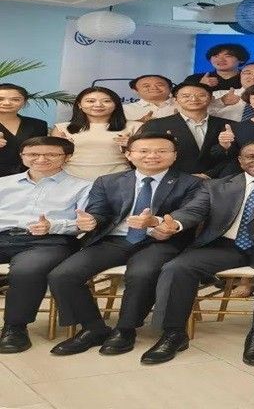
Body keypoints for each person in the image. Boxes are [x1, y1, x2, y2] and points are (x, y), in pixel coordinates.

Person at [141, 140, 254, 366]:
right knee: (176, 267)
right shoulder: (215, 186)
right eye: (252, 156)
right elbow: (193, 210)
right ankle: (173, 334)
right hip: (225, 245)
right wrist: (174, 223)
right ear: (240, 160)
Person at [46, 132, 202, 356]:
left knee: (141, 273)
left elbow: (189, 212)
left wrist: (158, 223)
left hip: (160, 241)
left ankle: (125, 329)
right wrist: (91, 220)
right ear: (129, 154)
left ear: (174, 155)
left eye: (161, 151)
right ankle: (93, 328)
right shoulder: (108, 181)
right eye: (144, 151)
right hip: (115, 239)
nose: (152, 156)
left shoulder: (191, 183)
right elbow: (99, 212)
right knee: (63, 274)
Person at [0, 136, 92, 353]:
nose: (41, 159)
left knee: (27, 270)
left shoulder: (83, 187)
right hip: (4, 235)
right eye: (33, 154)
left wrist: (54, 225)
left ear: (67, 157)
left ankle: (15, 328)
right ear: (22, 156)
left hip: (49, 241)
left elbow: (86, 223)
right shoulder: (3, 183)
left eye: (51, 154)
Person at [138, 82, 234, 177]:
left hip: (217, 182)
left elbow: (235, 157)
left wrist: (208, 175)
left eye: (201, 95)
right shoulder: (156, 125)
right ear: (175, 100)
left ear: (211, 99)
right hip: (172, 181)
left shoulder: (229, 125)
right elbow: (147, 157)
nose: (193, 99)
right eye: (186, 96)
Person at [52, 87, 139, 180]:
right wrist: (62, 147)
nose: (98, 105)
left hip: (118, 181)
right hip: (71, 181)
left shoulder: (134, 126)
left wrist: (133, 146)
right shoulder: (62, 128)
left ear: (116, 105)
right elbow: (52, 157)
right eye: (90, 101)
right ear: (79, 105)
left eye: (106, 101)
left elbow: (148, 157)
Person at [0, 83, 49, 177]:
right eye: (0, 99)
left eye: (15, 99)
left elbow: (41, 152)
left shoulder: (38, 125)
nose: (7, 103)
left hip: (27, 178)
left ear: (24, 102)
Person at [182, 43, 248, 93]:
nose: (220, 60)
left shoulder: (250, 78)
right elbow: (181, 98)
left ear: (241, 59)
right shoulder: (194, 79)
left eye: (228, 56)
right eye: (216, 56)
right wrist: (201, 86)